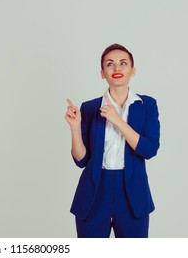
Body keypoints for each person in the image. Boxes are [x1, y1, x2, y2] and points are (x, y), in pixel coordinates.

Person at [65, 43, 160, 238]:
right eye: (110, 64)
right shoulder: (90, 108)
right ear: (102, 73)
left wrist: (118, 121)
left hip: (132, 193)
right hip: (94, 191)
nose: (117, 68)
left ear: (133, 70)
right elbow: (81, 160)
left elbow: (149, 149)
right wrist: (75, 128)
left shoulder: (147, 105)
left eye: (123, 63)